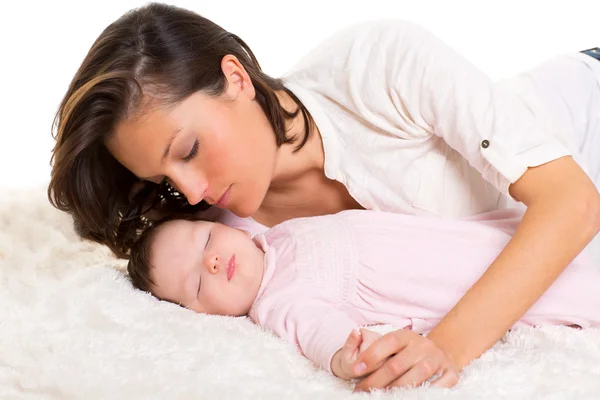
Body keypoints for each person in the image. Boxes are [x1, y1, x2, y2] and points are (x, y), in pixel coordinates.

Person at [47, 2, 600, 390]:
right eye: (167, 179)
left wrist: (448, 348)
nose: (190, 190)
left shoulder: (377, 66)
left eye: (188, 148)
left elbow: (571, 203)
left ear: (236, 78)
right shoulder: (227, 242)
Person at [126, 209, 600, 388]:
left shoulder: (263, 236)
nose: (210, 261)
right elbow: (316, 332)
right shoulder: (279, 301)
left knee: (544, 236)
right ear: (201, 314)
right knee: (566, 286)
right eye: (195, 281)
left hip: (457, 234)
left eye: (207, 239)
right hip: (447, 283)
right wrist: (345, 355)